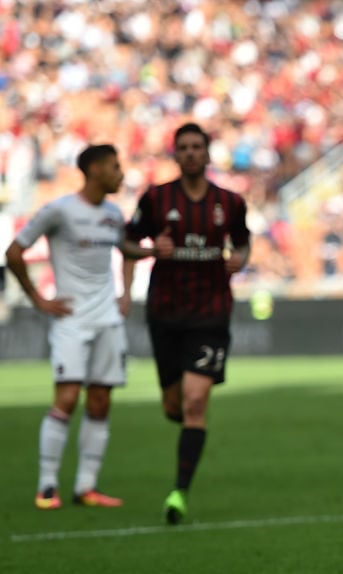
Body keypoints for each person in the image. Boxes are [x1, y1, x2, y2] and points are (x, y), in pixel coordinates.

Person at [121, 123, 250, 524]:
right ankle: (188, 440)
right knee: (174, 407)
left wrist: (240, 259)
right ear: (175, 155)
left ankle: (179, 492)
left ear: (208, 154)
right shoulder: (157, 198)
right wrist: (147, 250)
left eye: (198, 147)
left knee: (196, 402)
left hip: (210, 314)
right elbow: (125, 241)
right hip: (165, 314)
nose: (192, 153)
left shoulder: (230, 202)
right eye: (184, 148)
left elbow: (243, 242)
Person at [5, 144, 129, 510]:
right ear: (94, 170)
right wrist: (37, 299)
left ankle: (86, 487)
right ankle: (47, 486)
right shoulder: (59, 210)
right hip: (71, 318)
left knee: (101, 400)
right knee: (68, 398)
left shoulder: (114, 214)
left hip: (107, 318)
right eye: (114, 166)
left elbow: (130, 250)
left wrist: (124, 291)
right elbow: (14, 251)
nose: (121, 173)